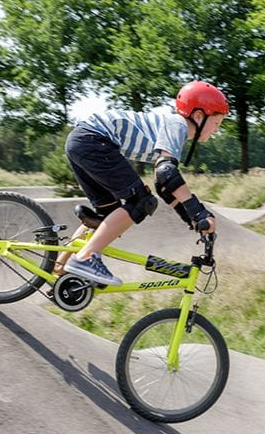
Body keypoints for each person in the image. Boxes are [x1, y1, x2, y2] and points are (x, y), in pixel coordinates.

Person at [58, 80, 228, 285]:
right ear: (199, 116)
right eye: (217, 123)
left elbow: (164, 187)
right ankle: (85, 258)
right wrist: (199, 211)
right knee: (142, 202)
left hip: (82, 140)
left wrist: (190, 219)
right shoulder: (178, 124)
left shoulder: (170, 127)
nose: (217, 130)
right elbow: (166, 172)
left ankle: (58, 268)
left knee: (110, 217)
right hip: (94, 141)